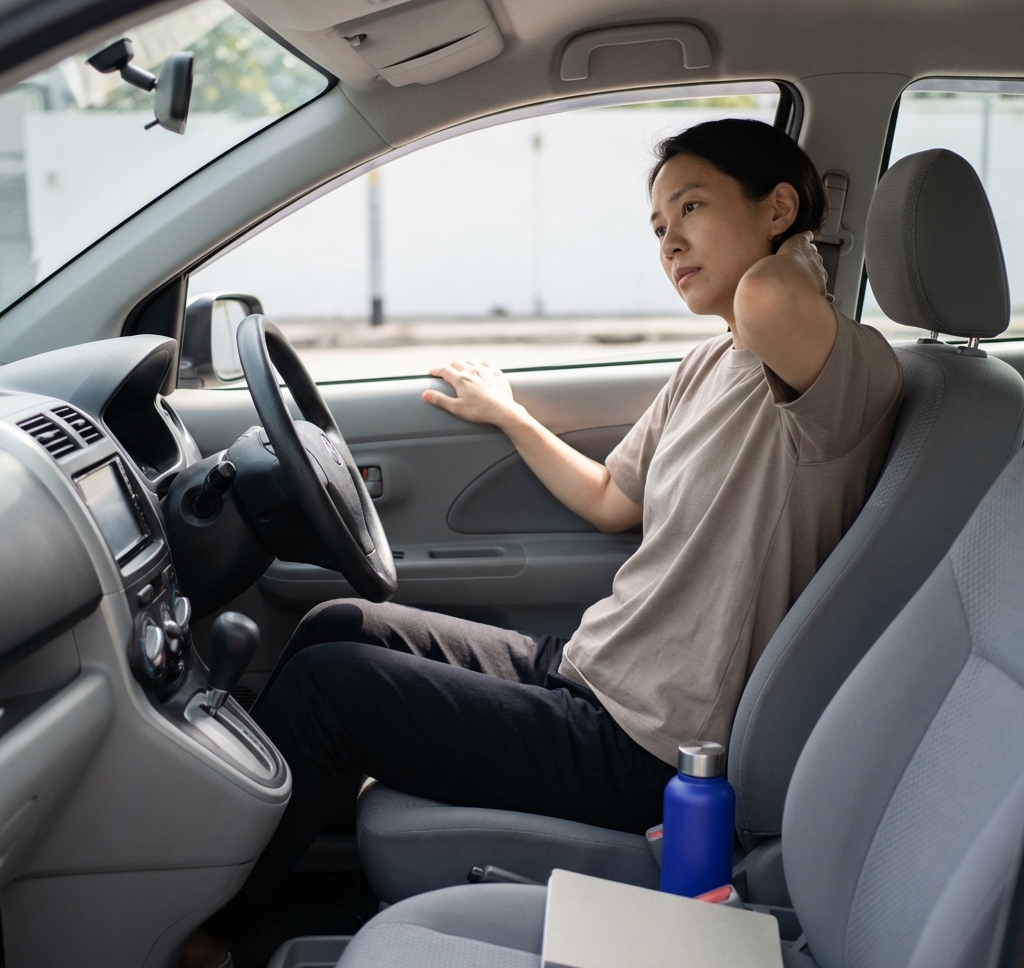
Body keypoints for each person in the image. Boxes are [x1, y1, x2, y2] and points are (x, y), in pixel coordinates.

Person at [181, 118, 903, 968]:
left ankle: (204, 934)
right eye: (658, 227)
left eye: (693, 208)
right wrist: (507, 412)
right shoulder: (712, 365)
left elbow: (776, 298)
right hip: (590, 668)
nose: (670, 242)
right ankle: (260, 883)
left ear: (779, 206)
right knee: (343, 625)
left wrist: (801, 243)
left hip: (649, 744)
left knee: (332, 692)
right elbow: (609, 500)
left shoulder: (843, 375)